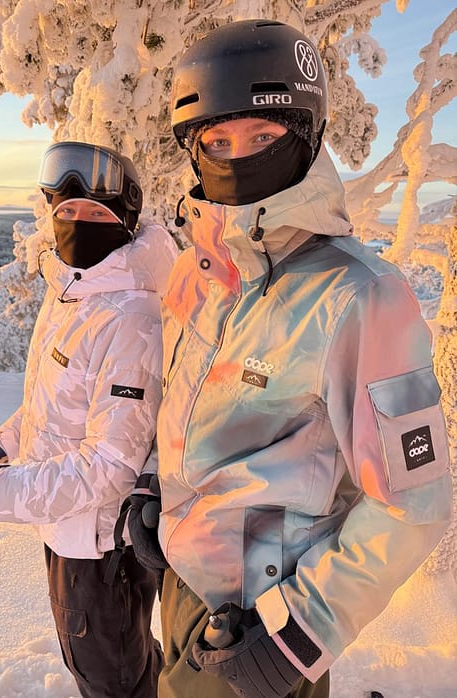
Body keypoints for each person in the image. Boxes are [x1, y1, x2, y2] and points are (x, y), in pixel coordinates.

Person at [128, 19, 452, 698]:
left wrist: (301, 632)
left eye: (263, 136)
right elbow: (191, 415)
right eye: (215, 140)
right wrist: (161, 496)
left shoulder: (359, 295)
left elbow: (414, 500)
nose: (235, 157)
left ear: (305, 135)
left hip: (266, 625)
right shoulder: (198, 275)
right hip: (185, 592)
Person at [0, 140, 178, 698]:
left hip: (102, 547)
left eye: (95, 213)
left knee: (111, 680)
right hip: (68, 526)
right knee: (119, 664)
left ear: (125, 221)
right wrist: (1, 445)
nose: (77, 224)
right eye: (66, 213)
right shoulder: (76, 292)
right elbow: (49, 406)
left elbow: (108, 469)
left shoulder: (131, 319)